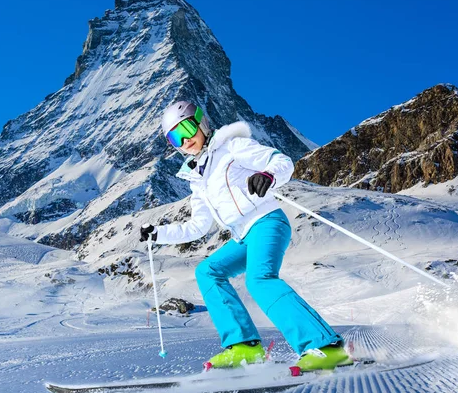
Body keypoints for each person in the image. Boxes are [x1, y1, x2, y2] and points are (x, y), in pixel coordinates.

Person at [140, 101, 351, 371]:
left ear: (201, 122)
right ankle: (244, 347)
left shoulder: (232, 147)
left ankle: (325, 346)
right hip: (243, 236)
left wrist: (268, 176)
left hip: (266, 221)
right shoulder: (197, 178)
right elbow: (198, 226)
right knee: (208, 271)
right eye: (174, 137)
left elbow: (281, 161)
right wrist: (158, 234)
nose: (184, 140)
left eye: (186, 128)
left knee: (259, 280)